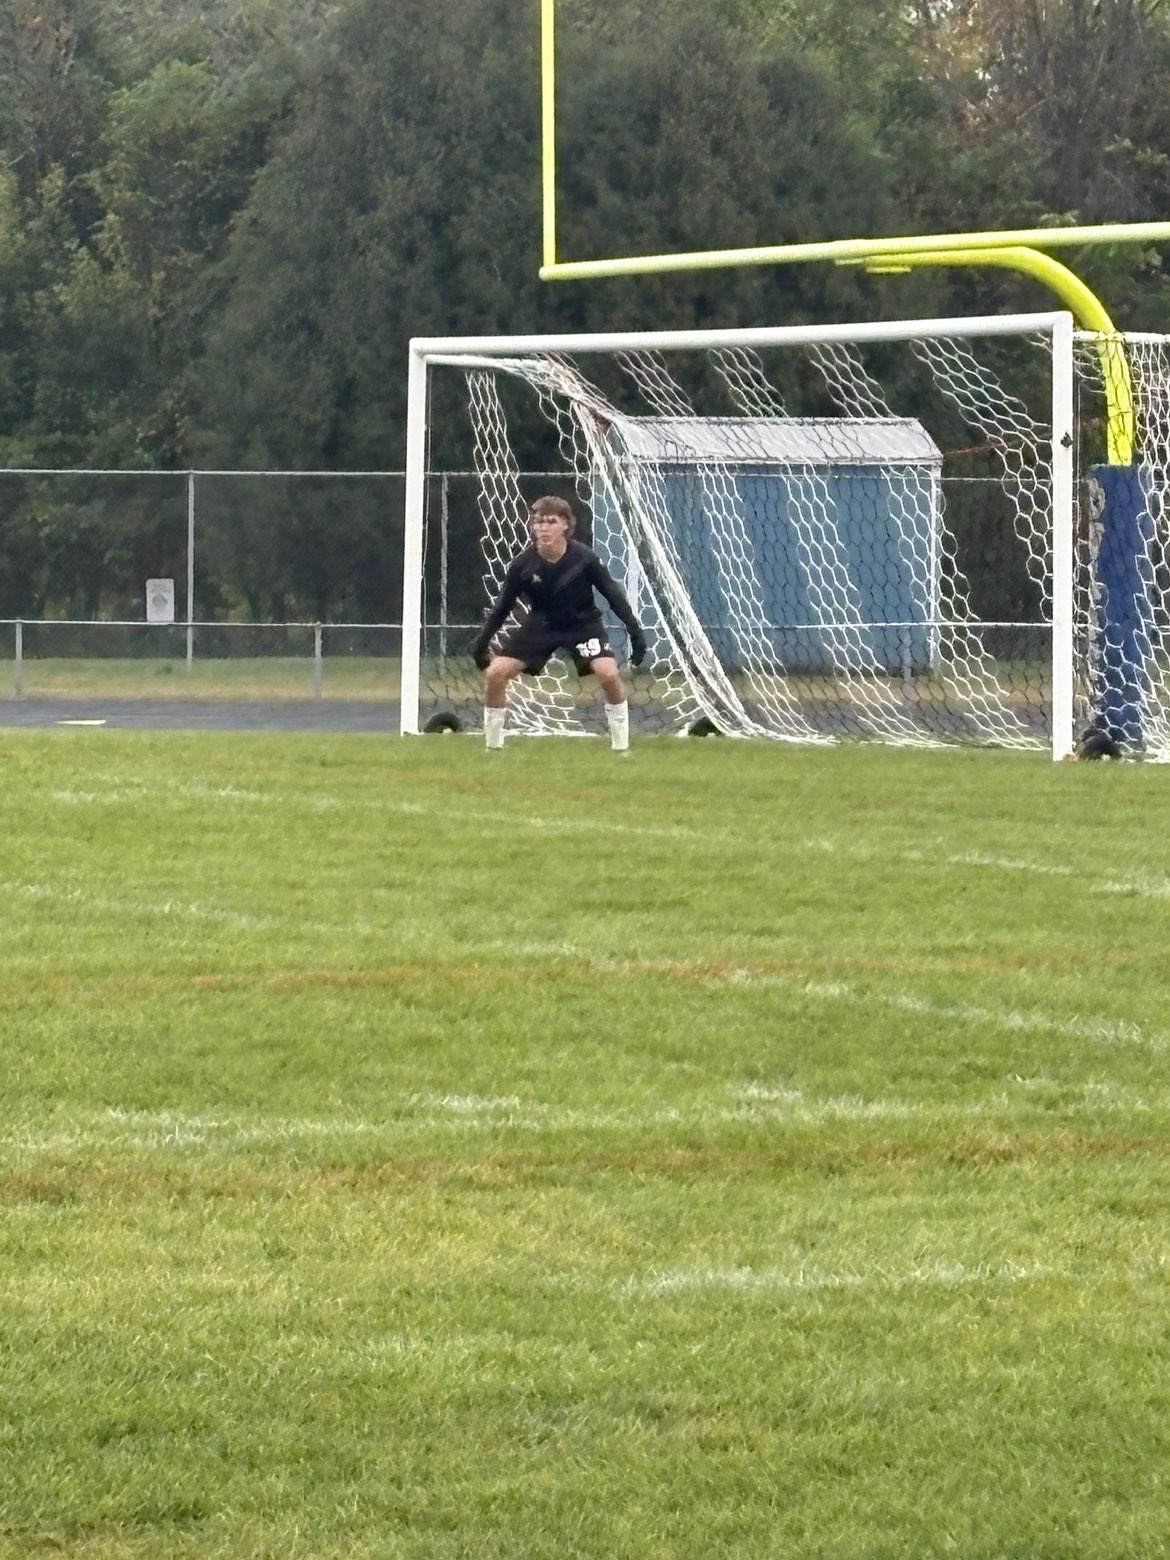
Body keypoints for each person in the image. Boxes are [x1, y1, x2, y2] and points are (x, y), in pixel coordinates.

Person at [470, 495, 647, 751]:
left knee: (608, 673)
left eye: (550, 521)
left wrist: (636, 632)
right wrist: (481, 643)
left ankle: (621, 747)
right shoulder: (523, 564)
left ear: (565, 525)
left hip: (582, 624)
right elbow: (502, 607)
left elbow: (613, 595)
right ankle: (493, 747)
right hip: (541, 625)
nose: (542, 527)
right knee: (496, 673)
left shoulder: (584, 558)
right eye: (538, 521)